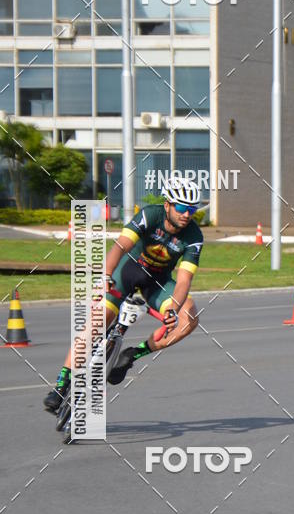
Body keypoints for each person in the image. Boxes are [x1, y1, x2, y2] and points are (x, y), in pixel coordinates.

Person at [43, 176, 204, 412]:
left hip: (156, 281)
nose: (186, 214)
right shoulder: (150, 215)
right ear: (168, 204)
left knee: (190, 318)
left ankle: (132, 354)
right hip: (127, 271)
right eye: (181, 207)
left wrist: (174, 308)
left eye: (192, 209)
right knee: (98, 320)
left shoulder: (194, 237)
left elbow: (184, 279)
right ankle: (61, 383)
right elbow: (120, 246)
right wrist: (106, 275)